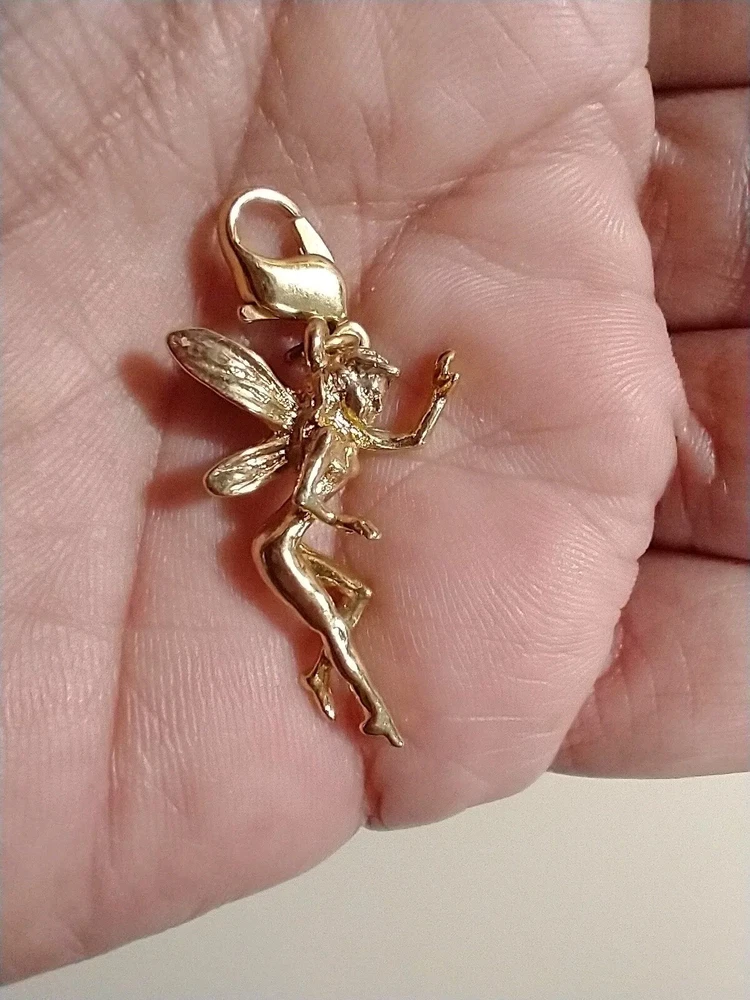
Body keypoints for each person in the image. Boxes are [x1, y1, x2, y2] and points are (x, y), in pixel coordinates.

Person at [3, 0, 747, 982]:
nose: (352, 378)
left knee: (343, 604)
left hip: (305, 532)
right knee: (337, 620)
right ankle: (366, 700)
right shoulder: (317, 421)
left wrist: (435, 388)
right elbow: (275, 442)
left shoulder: (348, 426)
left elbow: (404, 437)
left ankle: (339, 678)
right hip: (283, 539)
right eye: (342, 369)